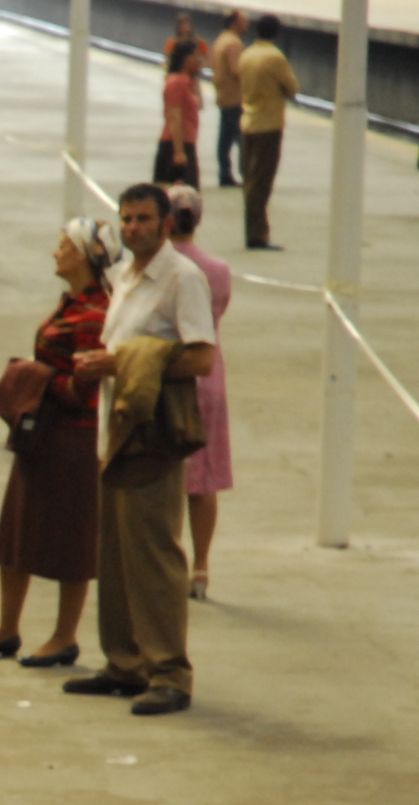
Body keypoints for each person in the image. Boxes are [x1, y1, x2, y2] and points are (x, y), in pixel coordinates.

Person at [66, 183, 216, 716]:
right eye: (126, 220)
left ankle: (170, 671)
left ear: (166, 223)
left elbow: (199, 359)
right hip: (119, 428)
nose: (132, 229)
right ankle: (125, 663)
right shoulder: (127, 276)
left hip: (155, 435)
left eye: (143, 220)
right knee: (116, 550)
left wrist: (120, 363)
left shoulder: (182, 279)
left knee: (154, 553)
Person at [0, 218, 119, 667]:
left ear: (85, 256)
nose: (55, 254)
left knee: (72, 540)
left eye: (62, 247)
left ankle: (64, 635)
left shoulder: (95, 314)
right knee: (17, 532)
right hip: (42, 434)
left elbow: (82, 391)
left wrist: (31, 376)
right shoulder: (70, 303)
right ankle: (7, 626)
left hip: (73, 442)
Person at [167, 185, 233, 601]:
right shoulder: (218, 269)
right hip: (209, 376)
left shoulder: (163, 267)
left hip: (170, 372)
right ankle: (201, 565)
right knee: (203, 477)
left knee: (166, 474)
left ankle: (166, 559)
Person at [238, 15, 297, 249]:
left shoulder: (247, 54)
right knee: (262, 181)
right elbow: (292, 88)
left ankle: (254, 229)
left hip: (247, 120)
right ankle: (257, 234)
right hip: (269, 124)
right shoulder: (275, 57)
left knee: (250, 179)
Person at [156, 40, 205, 188]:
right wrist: (178, 151)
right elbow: (175, 117)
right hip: (176, 143)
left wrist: (195, 79)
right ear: (185, 59)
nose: (200, 60)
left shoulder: (188, 82)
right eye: (196, 56)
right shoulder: (176, 82)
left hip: (188, 141)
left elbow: (200, 105)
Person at [211, 11, 248, 187]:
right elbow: (237, 69)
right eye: (243, 21)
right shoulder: (233, 44)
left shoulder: (220, 40)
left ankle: (224, 172)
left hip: (223, 95)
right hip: (235, 97)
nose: (246, 24)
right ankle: (247, 173)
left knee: (225, 138)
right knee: (242, 138)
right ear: (234, 23)